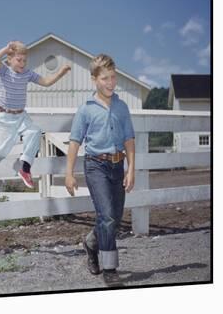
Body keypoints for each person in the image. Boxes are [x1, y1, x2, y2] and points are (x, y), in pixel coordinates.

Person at [64, 53, 135, 287]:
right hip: (95, 166)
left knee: (112, 219)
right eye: (105, 78)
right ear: (94, 79)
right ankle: (111, 268)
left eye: (113, 77)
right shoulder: (86, 108)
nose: (111, 82)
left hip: (118, 165)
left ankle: (91, 244)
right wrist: (69, 173)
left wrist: (131, 169)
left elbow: (129, 140)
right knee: (105, 216)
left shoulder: (122, 107)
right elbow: (75, 141)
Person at [0, 41, 71, 188]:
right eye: (19, 60)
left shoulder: (27, 74)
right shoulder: (5, 71)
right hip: (5, 117)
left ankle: (25, 167)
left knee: (35, 132)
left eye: (24, 60)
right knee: (1, 151)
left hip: (21, 116)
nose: (22, 63)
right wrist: (6, 48)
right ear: (9, 59)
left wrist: (60, 73)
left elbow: (46, 82)